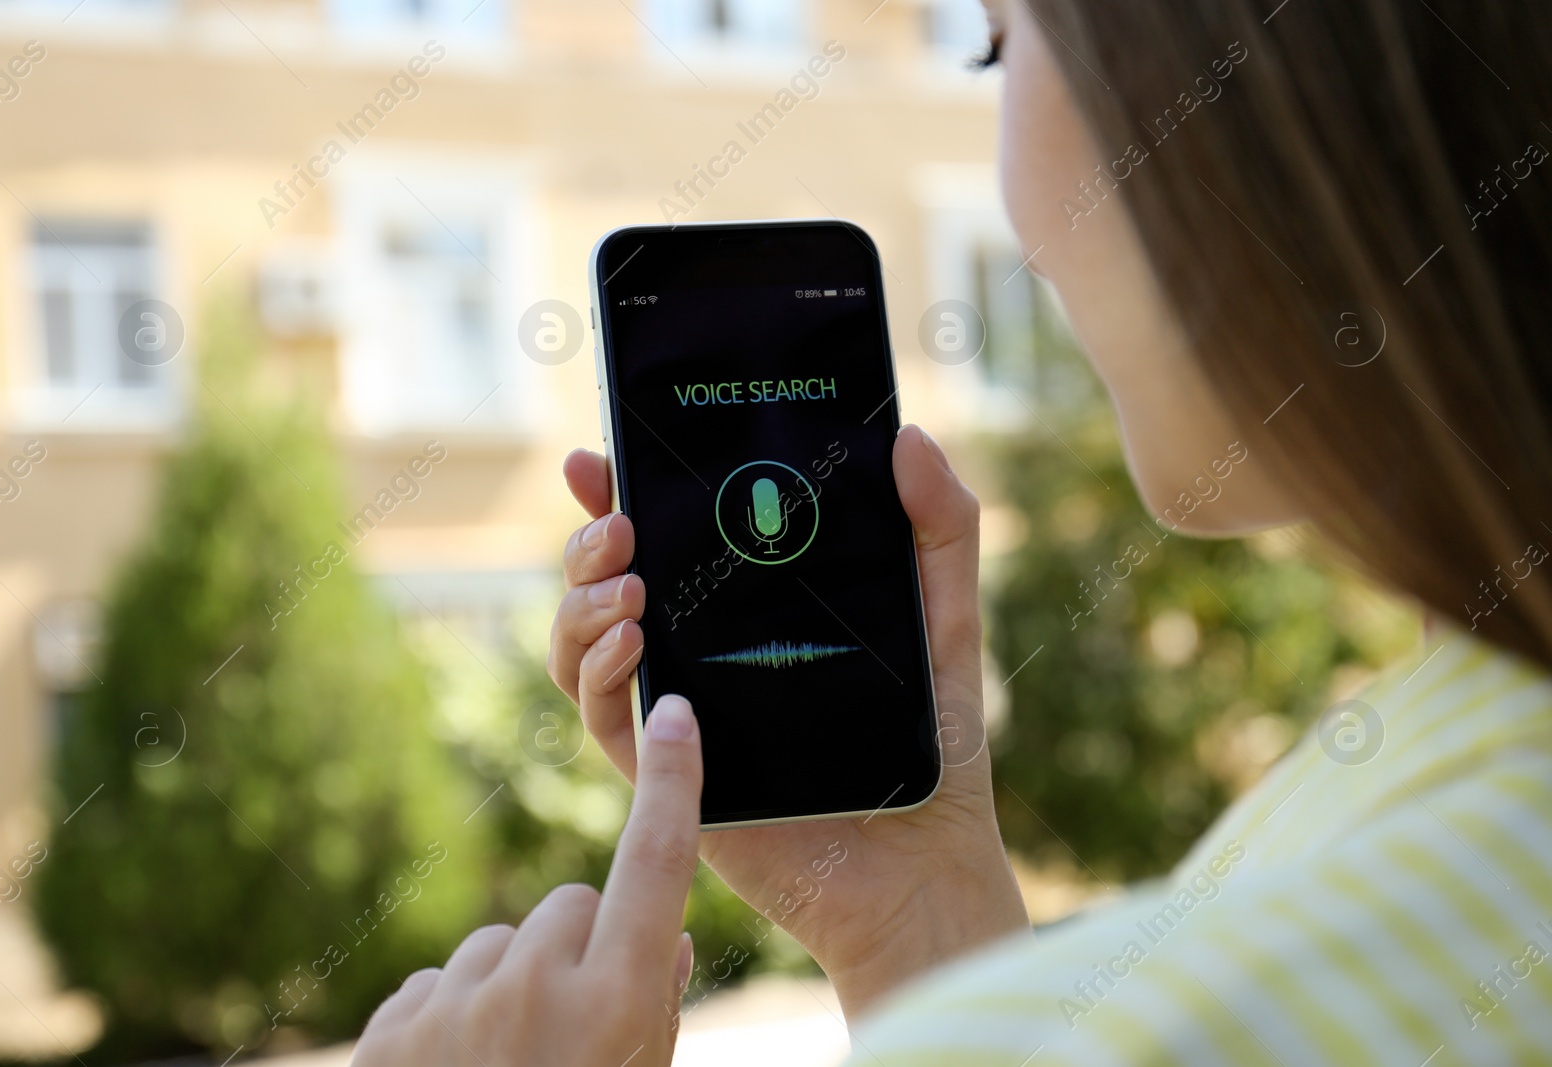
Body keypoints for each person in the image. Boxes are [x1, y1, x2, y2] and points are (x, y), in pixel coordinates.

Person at [351, 0, 1552, 1062]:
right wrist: (915, 915)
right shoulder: (1452, 771)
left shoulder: (1288, 979)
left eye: (997, 45)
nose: (1026, 228)